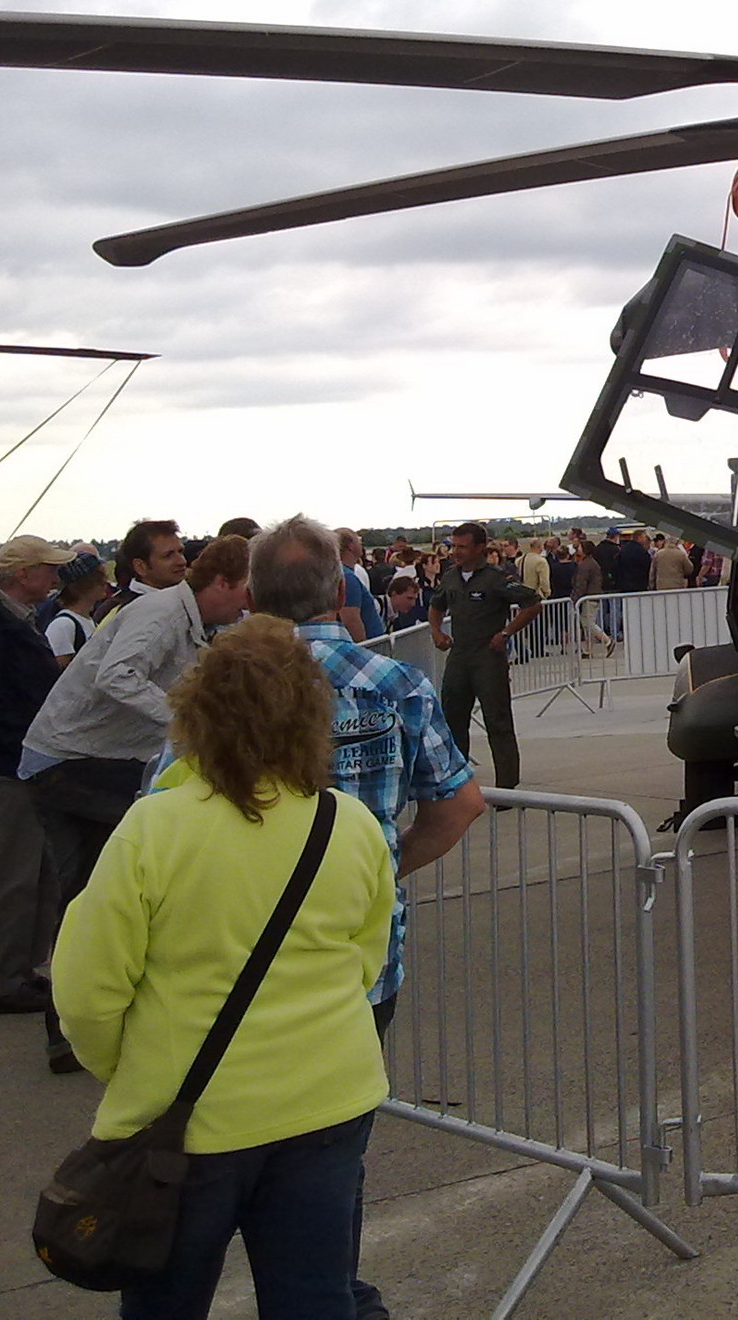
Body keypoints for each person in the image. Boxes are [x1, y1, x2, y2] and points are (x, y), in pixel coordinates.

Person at [51, 615, 397, 1320]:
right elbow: (366, 959)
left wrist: (127, 1064)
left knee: (166, 1301)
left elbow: (88, 990)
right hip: (328, 1096)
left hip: (188, 1119)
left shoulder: (154, 827)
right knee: (314, 1297)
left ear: (195, 710)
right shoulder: (348, 822)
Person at [246, 514, 482, 1320]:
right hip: (361, 956)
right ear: (338, 588)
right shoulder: (392, 685)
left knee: (234, 1141)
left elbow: (157, 811)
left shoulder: (219, 684)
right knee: (332, 1147)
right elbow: (459, 804)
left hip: (235, 954)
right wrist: (383, 872)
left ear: (252, 592)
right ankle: (327, 1287)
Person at [21, 534, 253, 1071]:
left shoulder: (194, 621)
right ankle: (81, 1023)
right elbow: (118, 674)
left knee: (91, 890)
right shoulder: (161, 612)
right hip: (69, 761)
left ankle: (77, 1025)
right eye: (243, 590)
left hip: (90, 759)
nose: (246, 603)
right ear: (221, 582)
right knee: (119, 883)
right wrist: (184, 724)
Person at [0, 538, 69, 1017]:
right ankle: (1, 981)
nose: (55, 580)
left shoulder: (14, 619)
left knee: (36, 875)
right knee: (12, 878)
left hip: (24, 766)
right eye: (48, 570)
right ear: (24, 575)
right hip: (7, 770)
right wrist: (26, 740)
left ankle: (21, 971)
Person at [427, 521, 542, 787]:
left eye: (463, 547)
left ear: (480, 548)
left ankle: (507, 785)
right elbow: (436, 606)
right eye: (454, 546)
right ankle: (456, 782)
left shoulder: (496, 578)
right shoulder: (450, 576)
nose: (457, 552)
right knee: (453, 720)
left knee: (498, 721)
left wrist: (507, 632)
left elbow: (533, 603)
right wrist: (436, 632)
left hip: (488, 658)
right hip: (459, 656)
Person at [95, 519, 187, 622]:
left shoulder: (184, 601)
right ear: (140, 567)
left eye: (181, 552)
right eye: (168, 556)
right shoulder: (130, 615)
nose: (181, 561)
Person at [44, 554, 111, 666]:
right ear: (83, 585)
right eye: (99, 578)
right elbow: (59, 675)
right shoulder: (63, 625)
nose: (105, 582)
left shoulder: (89, 622)